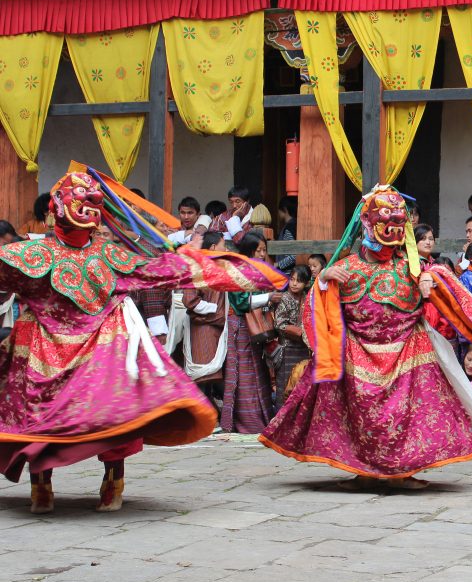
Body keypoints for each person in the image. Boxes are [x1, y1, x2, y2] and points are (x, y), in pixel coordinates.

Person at [0, 169, 284, 514]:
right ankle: (46, 485)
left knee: (112, 414)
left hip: (96, 348)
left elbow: (171, 270)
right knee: (55, 416)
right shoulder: (34, 254)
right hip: (56, 348)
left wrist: (236, 270)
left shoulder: (107, 255)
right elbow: (172, 270)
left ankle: (104, 482)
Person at [260, 184, 472, 488]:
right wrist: (324, 279)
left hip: (408, 351)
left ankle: (402, 471)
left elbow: (446, 287)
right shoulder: (345, 268)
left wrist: (432, 280)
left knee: (411, 417)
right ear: (368, 226)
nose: (389, 234)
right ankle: (363, 471)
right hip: (356, 354)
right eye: (384, 226)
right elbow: (313, 312)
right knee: (359, 419)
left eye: (395, 226)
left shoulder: (414, 268)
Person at [221, 232, 281, 434]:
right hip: (240, 324)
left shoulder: (257, 270)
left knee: (258, 370)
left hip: (253, 326)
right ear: (249, 251)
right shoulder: (237, 270)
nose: (263, 254)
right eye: (259, 250)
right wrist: (267, 298)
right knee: (243, 373)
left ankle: (260, 419)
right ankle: (246, 422)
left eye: (264, 250)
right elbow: (239, 302)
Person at [179, 232, 230, 409]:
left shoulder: (220, 268)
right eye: (224, 244)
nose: (226, 248)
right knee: (203, 374)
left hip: (216, 326)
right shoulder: (199, 269)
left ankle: (211, 414)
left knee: (212, 374)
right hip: (203, 326)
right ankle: (203, 415)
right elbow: (190, 300)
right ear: (214, 247)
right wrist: (215, 309)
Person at [273, 265, 312, 408]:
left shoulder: (307, 298)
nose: (294, 283)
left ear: (307, 283)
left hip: (303, 348)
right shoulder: (285, 298)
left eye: (299, 281)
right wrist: (299, 331)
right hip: (287, 347)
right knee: (284, 384)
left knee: (299, 383)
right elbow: (279, 324)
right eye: (292, 279)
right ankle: (280, 420)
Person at [275, 195, 298, 272]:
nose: (278, 213)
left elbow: (293, 256)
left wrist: (278, 265)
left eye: (279, 210)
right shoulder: (296, 224)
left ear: (284, 209)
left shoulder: (289, 228)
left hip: (287, 274)